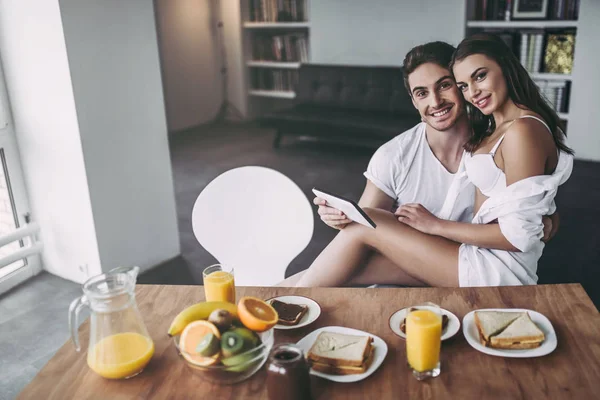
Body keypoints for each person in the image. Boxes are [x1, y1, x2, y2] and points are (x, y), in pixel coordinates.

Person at [283, 33, 571, 288]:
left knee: (356, 243)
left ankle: (268, 312)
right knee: (348, 263)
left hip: (487, 267)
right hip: (459, 259)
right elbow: (364, 229)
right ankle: (266, 302)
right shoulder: (397, 154)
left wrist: (434, 225)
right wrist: (341, 218)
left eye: (445, 85)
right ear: (413, 101)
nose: (435, 102)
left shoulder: (506, 132)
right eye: (422, 93)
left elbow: (524, 213)